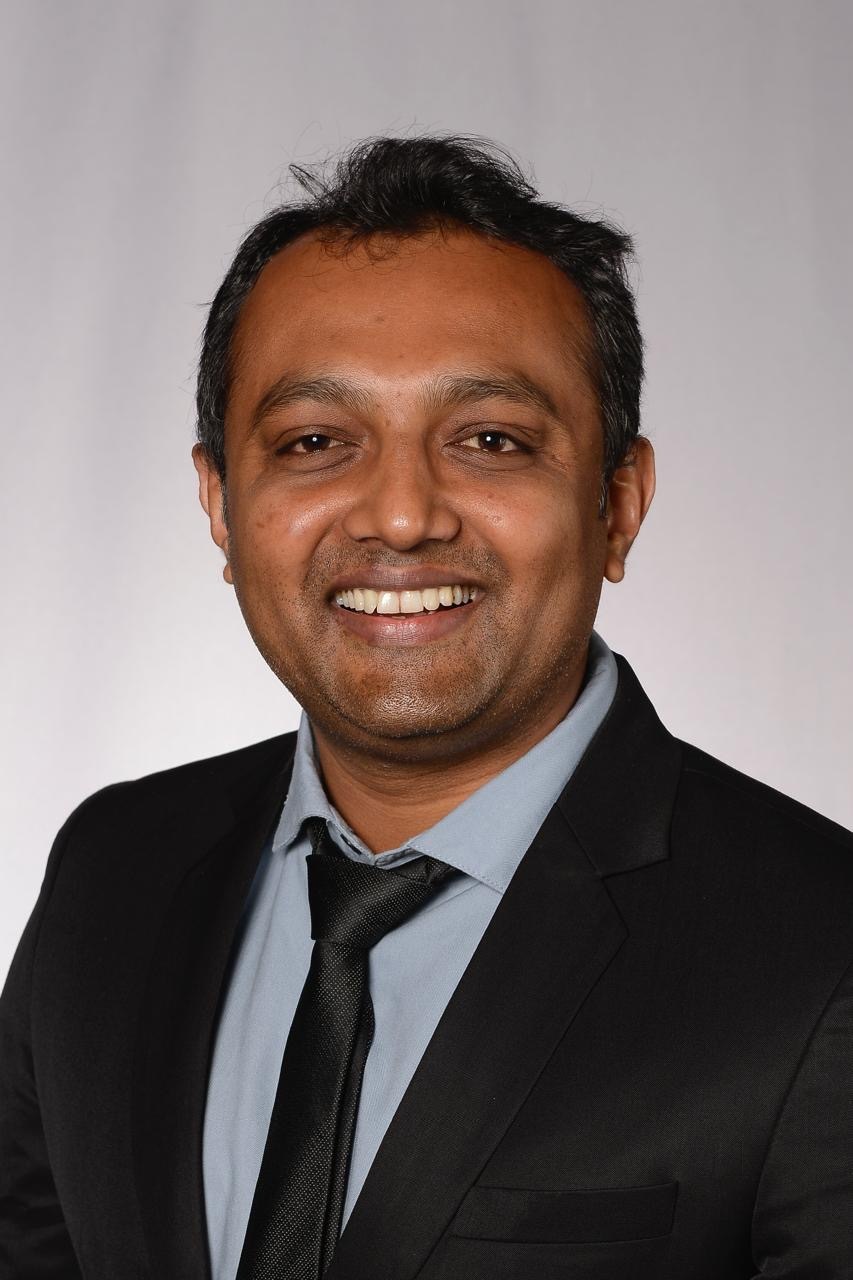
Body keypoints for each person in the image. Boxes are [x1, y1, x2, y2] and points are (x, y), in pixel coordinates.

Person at [1, 135, 851, 1280]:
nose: (401, 516)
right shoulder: (112, 873)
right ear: (220, 503)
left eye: (490, 439)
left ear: (618, 502)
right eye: (315, 441)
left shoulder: (820, 950)